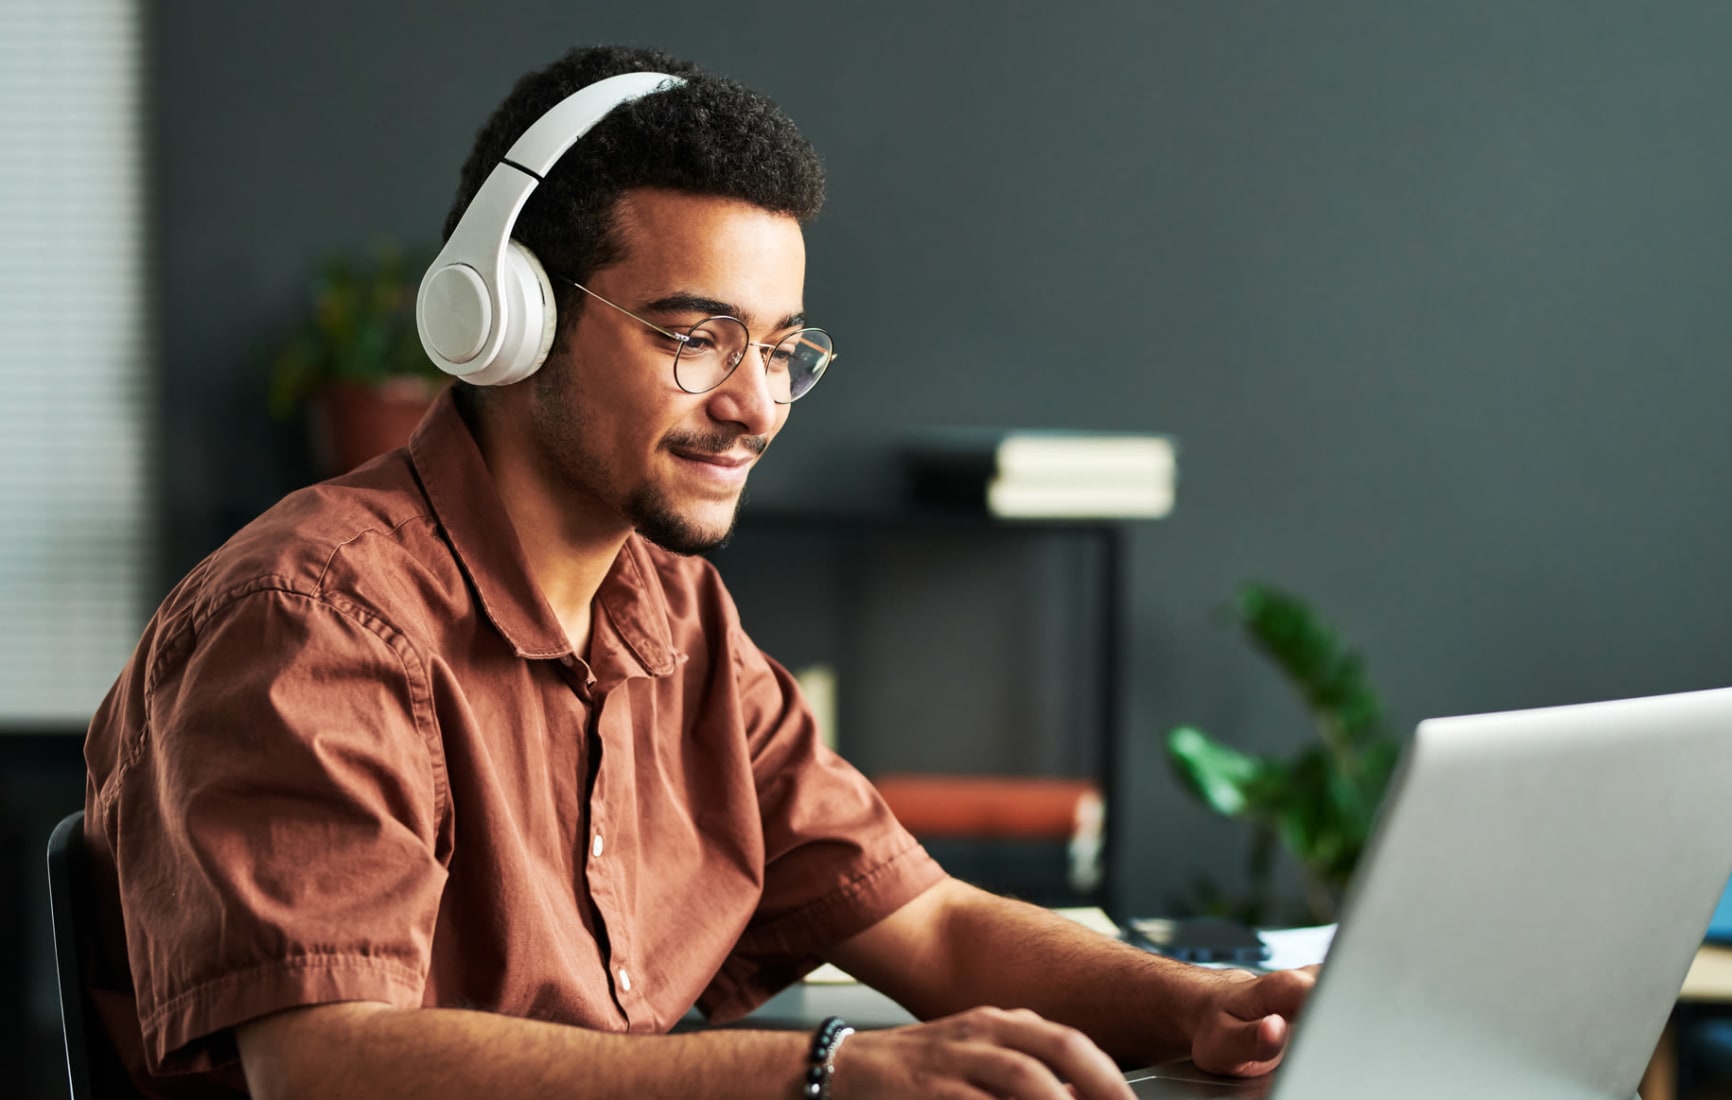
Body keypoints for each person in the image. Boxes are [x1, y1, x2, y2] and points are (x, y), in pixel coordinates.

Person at [81, 45, 1314, 1100]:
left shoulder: (670, 612)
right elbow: (327, 1064)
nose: (756, 405)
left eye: (780, 347)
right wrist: (824, 1071)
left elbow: (924, 921)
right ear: (502, 316)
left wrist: (1200, 1005)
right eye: (695, 337)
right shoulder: (310, 619)